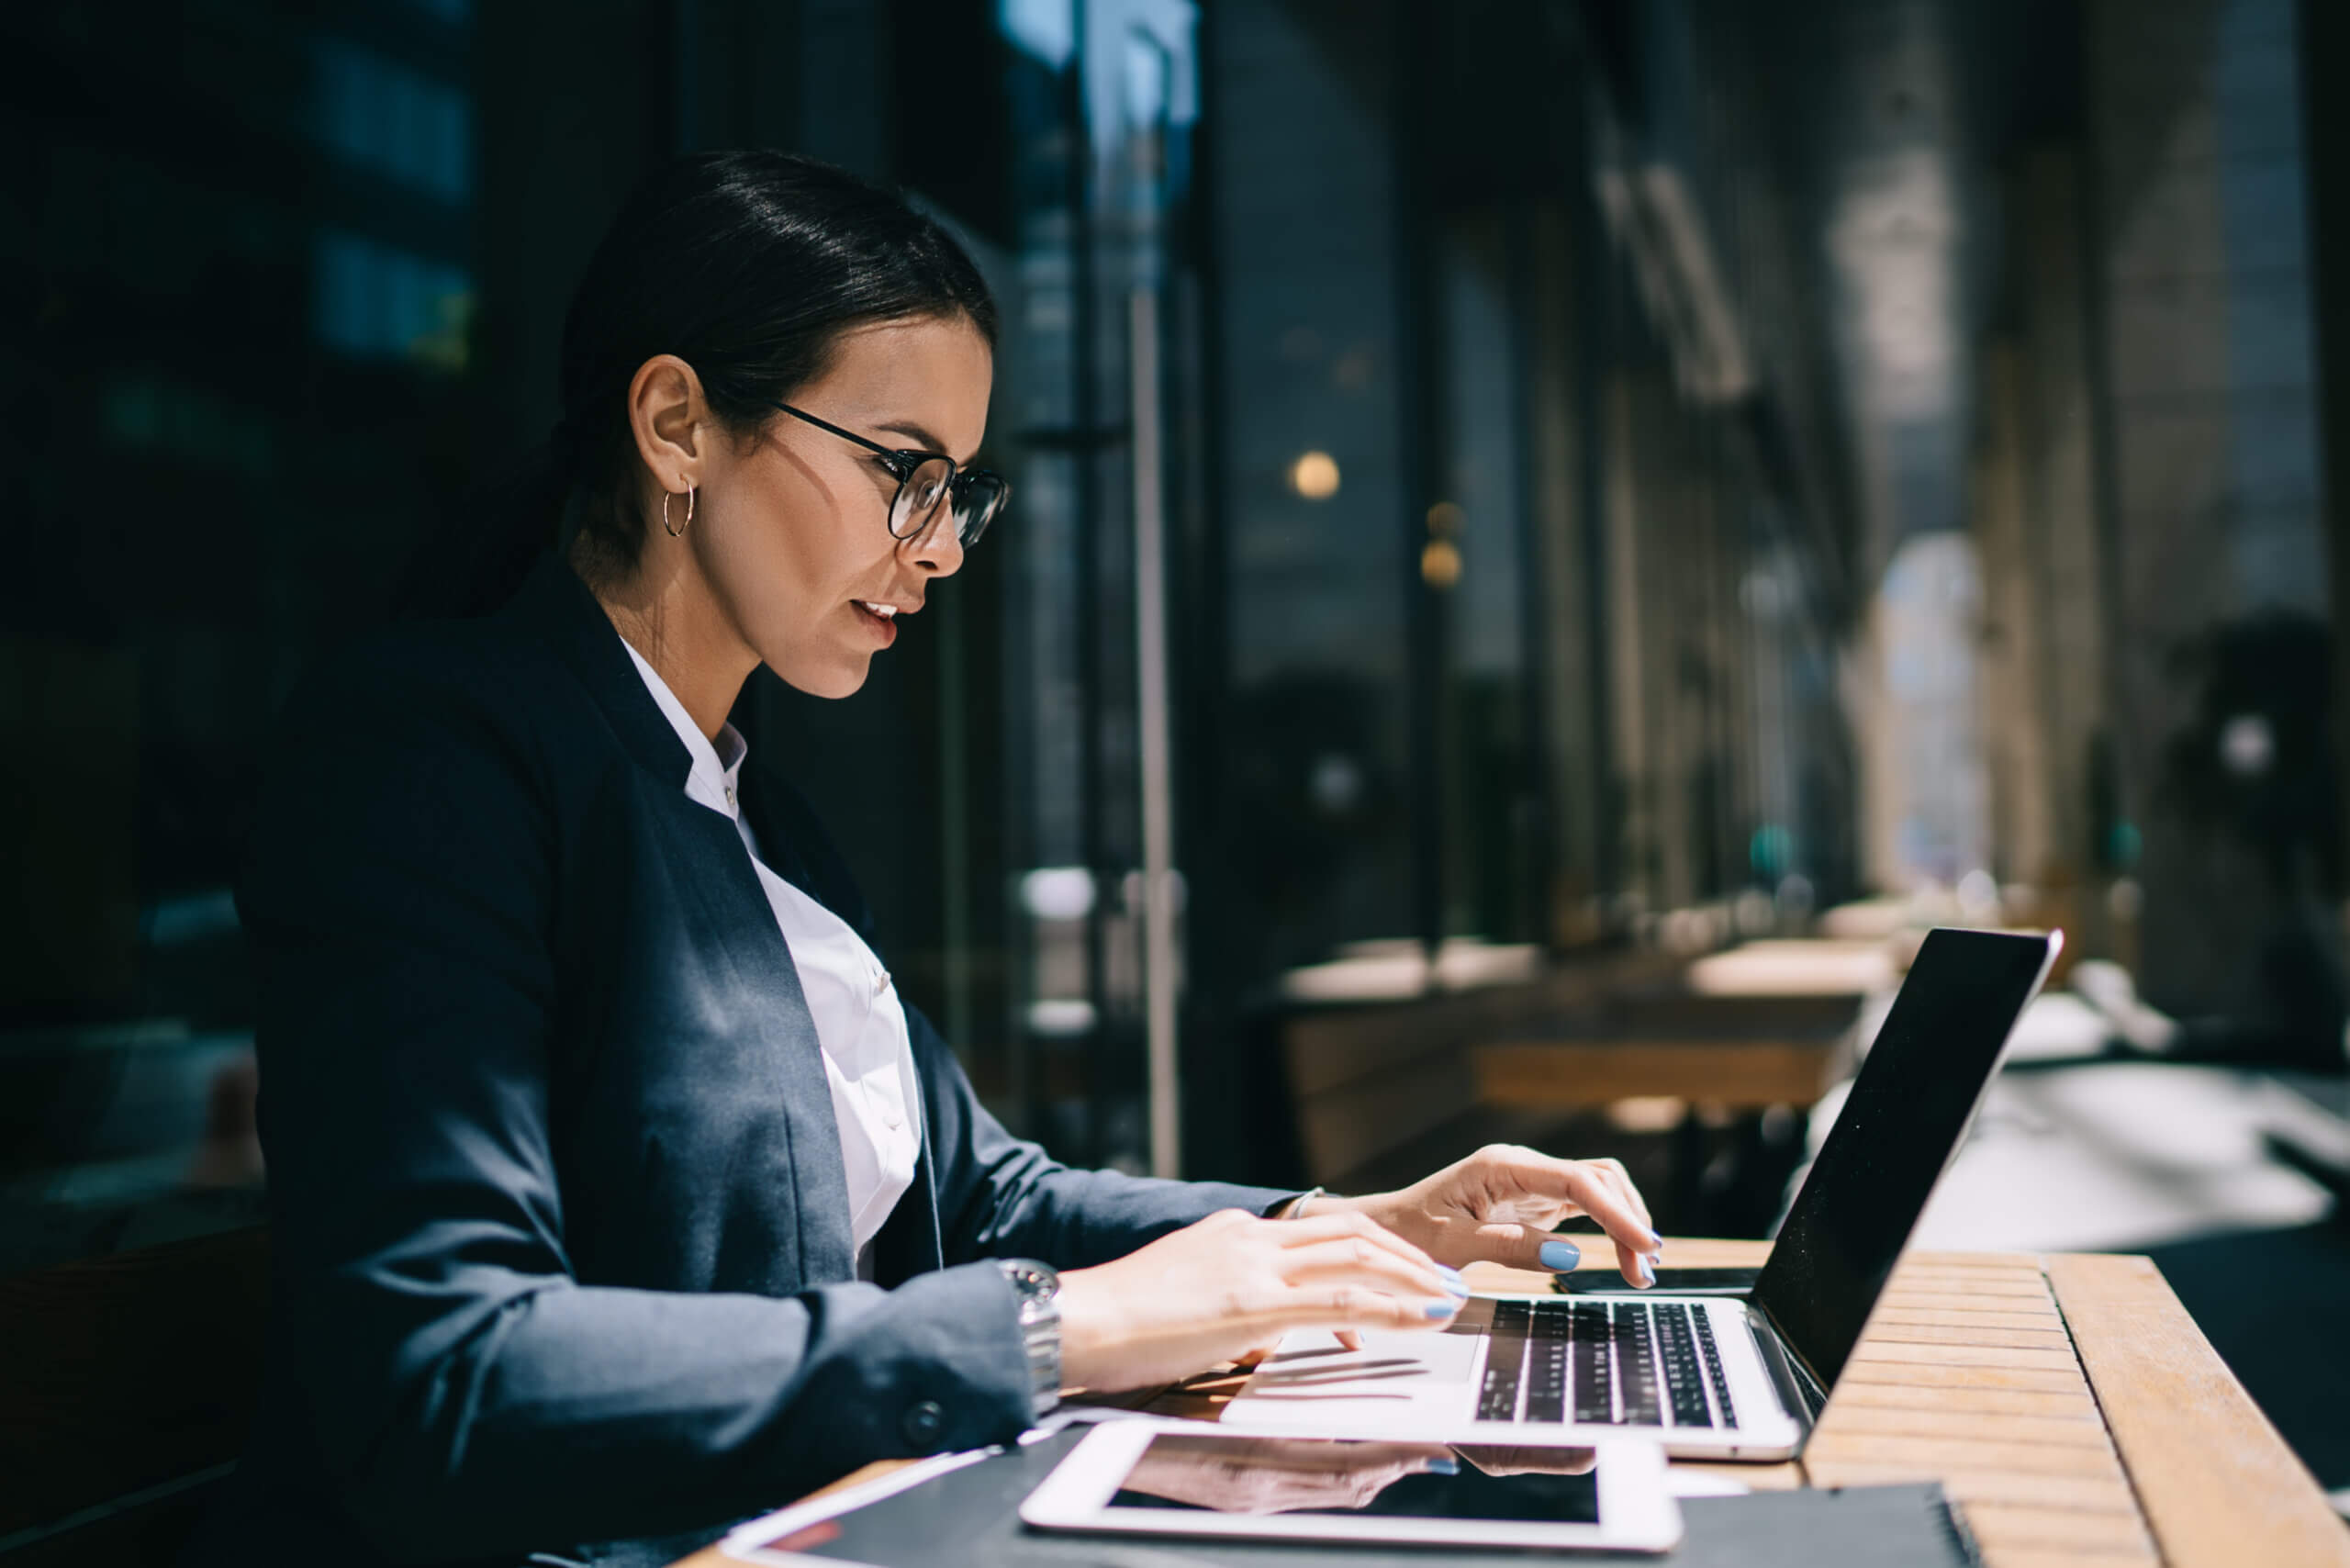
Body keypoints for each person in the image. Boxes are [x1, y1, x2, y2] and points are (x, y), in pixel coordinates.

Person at [187, 151, 1662, 1568]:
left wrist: (1334, 1233)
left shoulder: (763, 815)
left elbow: (990, 1199)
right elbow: (445, 1376)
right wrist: (1051, 1333)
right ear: (676, 425)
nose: (942, 546)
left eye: (959, 485)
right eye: (903, 468)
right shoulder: (434, 761)